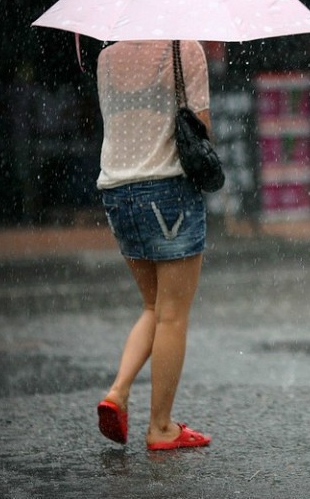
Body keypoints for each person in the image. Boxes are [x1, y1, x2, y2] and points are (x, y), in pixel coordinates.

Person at [94, 39, 212, 451]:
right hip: (168, 191)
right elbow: (202, 128)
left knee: (153, 306)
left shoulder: (105, 57)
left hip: (116, 192)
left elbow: (124, 124)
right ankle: (161, 427)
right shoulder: (184, 50)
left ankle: (117, 392)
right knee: (172, 316)